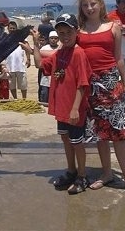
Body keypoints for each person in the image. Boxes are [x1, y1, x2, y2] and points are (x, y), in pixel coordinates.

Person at [77, 0, 125, 200]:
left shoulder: (114, 27)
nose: (89, 8)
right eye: (85, 5)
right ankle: (107, 173)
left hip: (112, 83)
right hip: (90, 86)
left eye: (93, 4)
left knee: (119, 134)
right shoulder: (78, 30)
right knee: (100, 134)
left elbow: (119, 59)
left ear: (101, 4)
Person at [32, 14, 93, 195]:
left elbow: (83, 84)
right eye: (61, 32)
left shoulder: (78, 53)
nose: (65, 36)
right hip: (61, 108)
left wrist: (75, 108)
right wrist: (35, 44)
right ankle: (71, 170)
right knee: (66, 139)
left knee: (77, 142)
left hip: (74, 109)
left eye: (68, 31)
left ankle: (82, 175)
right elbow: (40, 65)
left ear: (76, 32)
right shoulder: (60, 53)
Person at [5, 20, 30, 99]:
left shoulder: (21, 38)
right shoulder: (5, 39)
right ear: (8, 29)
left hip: (20, 67)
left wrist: (28, 59)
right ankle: (15, 98)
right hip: (10, 66)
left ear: (16, 29)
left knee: (23, 85)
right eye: (11, 28)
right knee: (11, 85)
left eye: (14, 28)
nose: (12, 29)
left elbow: (27, 49)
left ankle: (24, 99)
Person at [38, 30, 60, 103]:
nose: (53, 40)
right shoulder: (44, 48)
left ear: (58, 39)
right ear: (49, 39)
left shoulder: (60, 48)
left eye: (55, 38)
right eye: (52, 38)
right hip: (45, 76)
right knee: (44, 93)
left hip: (56, 76)